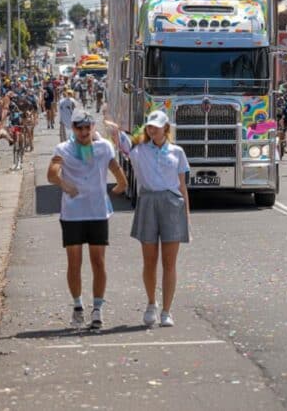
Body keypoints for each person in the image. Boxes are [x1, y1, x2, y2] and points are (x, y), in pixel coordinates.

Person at [46, 110, 127, 330]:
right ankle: (78, 306)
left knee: (98, 261)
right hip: (73, 213)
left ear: (93, 127)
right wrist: (65, 185)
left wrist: (120, 185)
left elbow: (117, 172)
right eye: (79, 128)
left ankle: (98, 308)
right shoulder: (63, 149)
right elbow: (51, 174)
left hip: (97, 212)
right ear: (73, 129)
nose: (83, 132)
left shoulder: (103, 148)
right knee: (74, 262)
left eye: (87, 127)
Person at [113, 111, 190, 328]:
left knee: (169, 262)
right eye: (149, 126)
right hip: (147, 201)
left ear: (166, 128)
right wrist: (112, 120)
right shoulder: (138, 151)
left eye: (156, 126)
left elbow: (182, 185)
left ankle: (167, 310)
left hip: (172, 203)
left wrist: (187, 216)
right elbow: (119, 139)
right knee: (149, 260)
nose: (152, 130)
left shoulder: (177, 152)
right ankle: (151, 303)